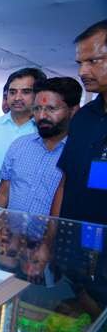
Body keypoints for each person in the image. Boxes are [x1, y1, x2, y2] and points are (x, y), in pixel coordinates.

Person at [0, 77, 82, 216]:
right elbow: (3, 192)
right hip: (10, 229)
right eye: (37, 108)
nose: (41, 116)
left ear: (73, 110)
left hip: (52, 230)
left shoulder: (79, 153)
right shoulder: (20, 145)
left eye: (51, 109)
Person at [52, 19, 107, 224]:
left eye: (93, 61)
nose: (81, 72)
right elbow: (66, 181)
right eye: (80, 63)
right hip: (74, 235)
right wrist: (53, 232)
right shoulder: (83, 118)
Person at [0, 67, 47, 198]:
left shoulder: (46, 133)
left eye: (26, 92)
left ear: (39, 94)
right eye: (12, 92)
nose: (17, 98)